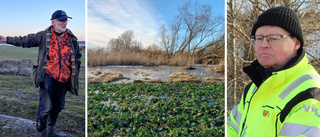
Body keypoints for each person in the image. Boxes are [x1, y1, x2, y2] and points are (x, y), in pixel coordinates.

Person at [227, 6, 320, 136]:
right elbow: (232, 127)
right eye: (259, 38)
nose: (263, 44)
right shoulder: (255, 86)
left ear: (296, 44)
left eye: (274, 38)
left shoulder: (311, 95)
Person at [0, 10, 82, 137]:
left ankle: (50, 131)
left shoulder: (72, 38)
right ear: (53, 22)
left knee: (58, 106)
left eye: (66, 20)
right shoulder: (43, 35)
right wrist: (6, 39)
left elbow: (78, 56)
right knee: (45, 108)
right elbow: (25, 40)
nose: (64, 22)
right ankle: (42, 133)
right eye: (61, 20)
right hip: (48, 76)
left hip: (65, 79)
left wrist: (76, 71)